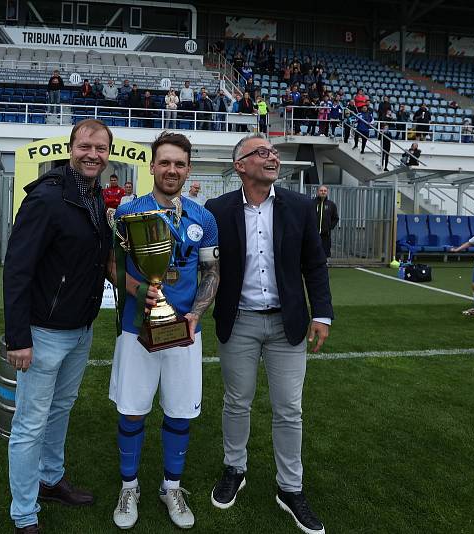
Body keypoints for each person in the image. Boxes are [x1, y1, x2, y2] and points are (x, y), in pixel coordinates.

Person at [205, 134, 333, 534]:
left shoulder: (298, 205)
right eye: (261, 152)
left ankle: (290, 488)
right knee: (237, 402)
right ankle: (234, 468)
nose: (272, 156)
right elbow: (208, 269)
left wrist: (323, 314)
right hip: (238, 321)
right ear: (240, 165)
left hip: (287, 324)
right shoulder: (217, 209)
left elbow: (315, 264)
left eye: (274, 152)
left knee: (289, 408)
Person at [3, 119, 114, 533]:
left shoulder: (95, 197)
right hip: (43, 333)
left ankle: (50, 480)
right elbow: (17, 270)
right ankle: (24, 513)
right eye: (86, 146)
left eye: (100, 149)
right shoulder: (46, 198)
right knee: (30, 423)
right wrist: (19, 337)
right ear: (71, 148)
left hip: (80, 330)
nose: (93, 154)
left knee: (60, 411)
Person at [110, 131, 220, 530]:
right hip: (136, 328)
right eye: (165, 162)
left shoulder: (202, 217)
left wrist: (196, 315)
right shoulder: (128, 212)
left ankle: (171, 486)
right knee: (133, 410)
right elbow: (112, 266)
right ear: (152, 166)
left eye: (179, 163)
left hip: (185, 332)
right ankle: (129, 487)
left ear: (188, 169)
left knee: (179, 412)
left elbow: (211, 270)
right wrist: (141, 292)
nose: (171, 169)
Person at [315, 185, 339, 260]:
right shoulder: (311, 203)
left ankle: (324, 266)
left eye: (325, 191)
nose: (323, 192)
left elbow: (335, 218)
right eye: (321, 190)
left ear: (327, 192)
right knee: (313, 251)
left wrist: (329, 227)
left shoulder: (331, 205)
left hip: (326, 235)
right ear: (317, 192)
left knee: (325, 253)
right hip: (313, 233)